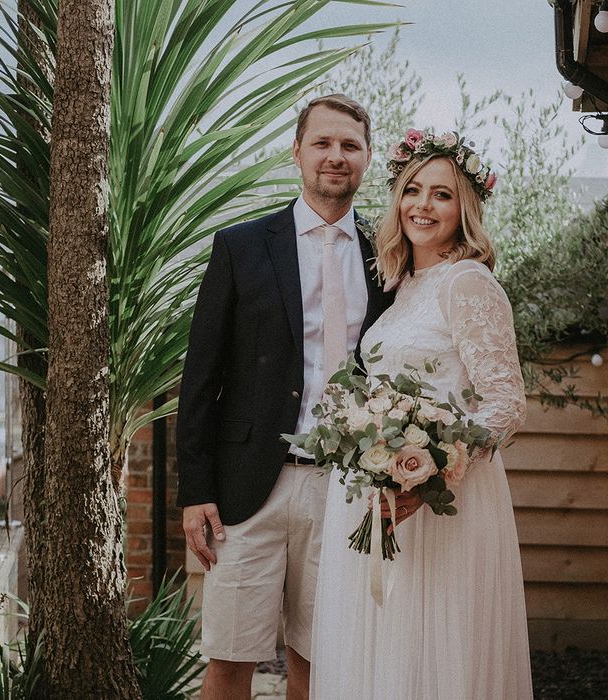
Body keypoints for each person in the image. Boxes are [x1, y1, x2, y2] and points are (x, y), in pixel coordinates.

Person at [176, 94, 392, 700]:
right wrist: (196, 492)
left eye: (350, 145)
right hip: (247, 491)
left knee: (322, 665)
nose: (335, 156)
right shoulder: (241, 247)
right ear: (296, 152)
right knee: (228, 661)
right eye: (322, 143)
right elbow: (201, 376)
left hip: (346, 489)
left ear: (367, 159)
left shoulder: (391, 256)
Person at [310, 131, 534, 699]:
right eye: (414, 191)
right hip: (377, 490)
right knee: (380, 648)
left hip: (441, 504)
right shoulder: (401, 285)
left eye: (442, 194)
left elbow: (507, 404)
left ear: (465, 209)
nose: (423, 206)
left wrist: (433, 466)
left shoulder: (469, 284)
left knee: (434, 649)